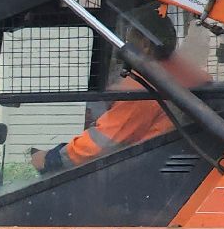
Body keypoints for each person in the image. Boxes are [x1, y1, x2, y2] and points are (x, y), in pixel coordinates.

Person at [32, 11, 211, 174]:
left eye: (129, 40)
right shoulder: (192, 75)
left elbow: (101, 144)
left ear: (146, 44)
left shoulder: (145, 86)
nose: (123, 47)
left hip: (152, 175)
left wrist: (51, 159)